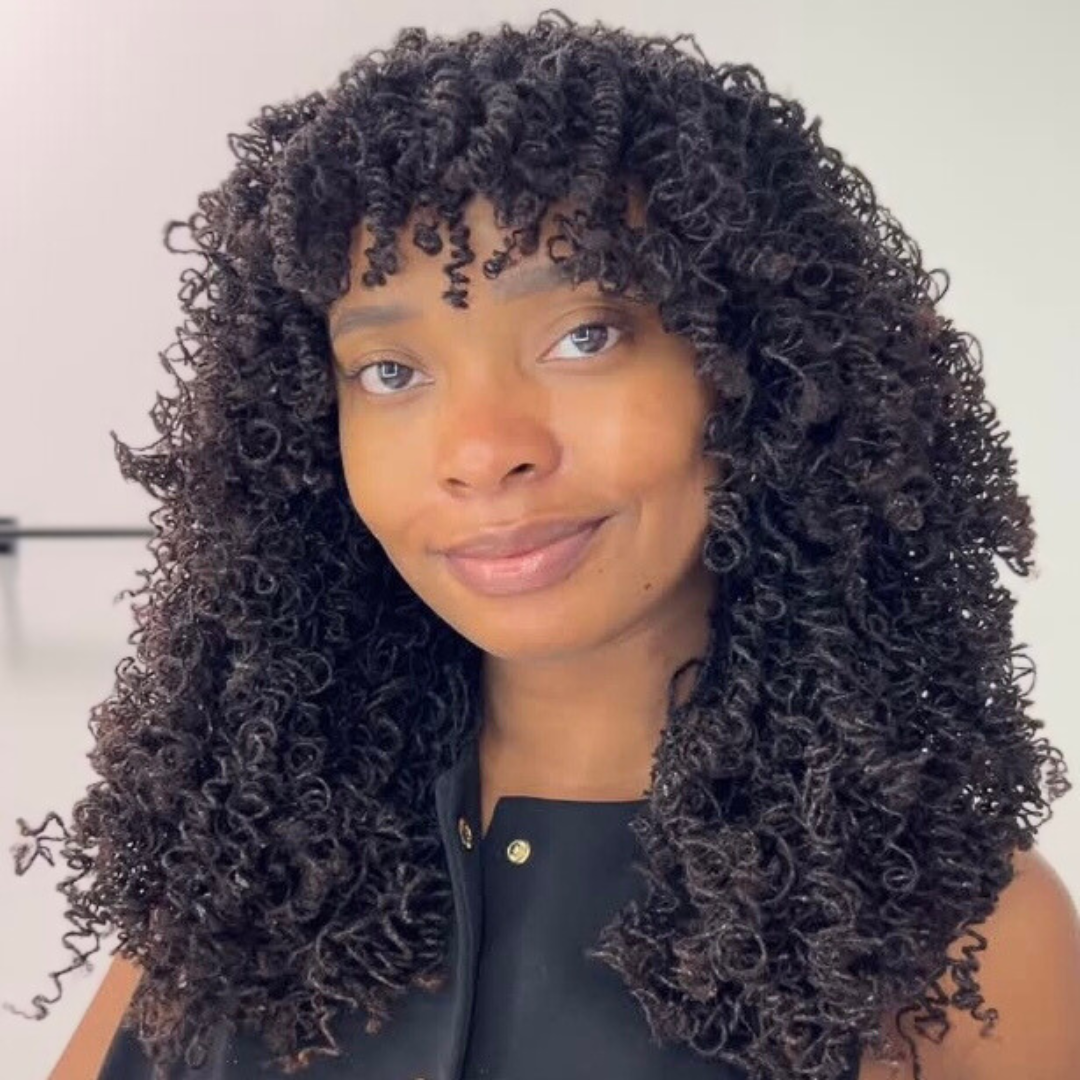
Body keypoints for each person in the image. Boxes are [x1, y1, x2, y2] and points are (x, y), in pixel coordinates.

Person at [9, 9, 1080, 1080]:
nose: (482, 452)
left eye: (584, 337)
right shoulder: (239, 870)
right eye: (390, 371)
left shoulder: (962, 943)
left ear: (760, 374)